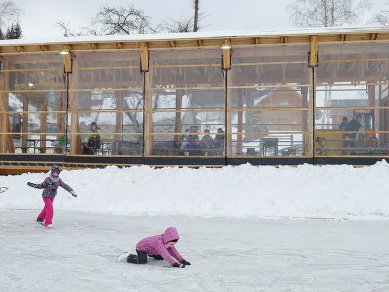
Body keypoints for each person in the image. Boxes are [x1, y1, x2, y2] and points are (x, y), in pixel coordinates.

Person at [117, 227, 190, 268]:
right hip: (141, 248)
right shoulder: (159, 243)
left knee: (160, 257)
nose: (172, 246)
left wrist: (182, 260)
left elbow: (174, 252)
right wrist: (175, 264)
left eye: (174, 244)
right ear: (168, 241)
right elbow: (166, 255)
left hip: (152, 249)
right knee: (142, 261)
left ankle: (150, 254)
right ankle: (128, 256)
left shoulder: (167, 242)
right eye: (171, 244)